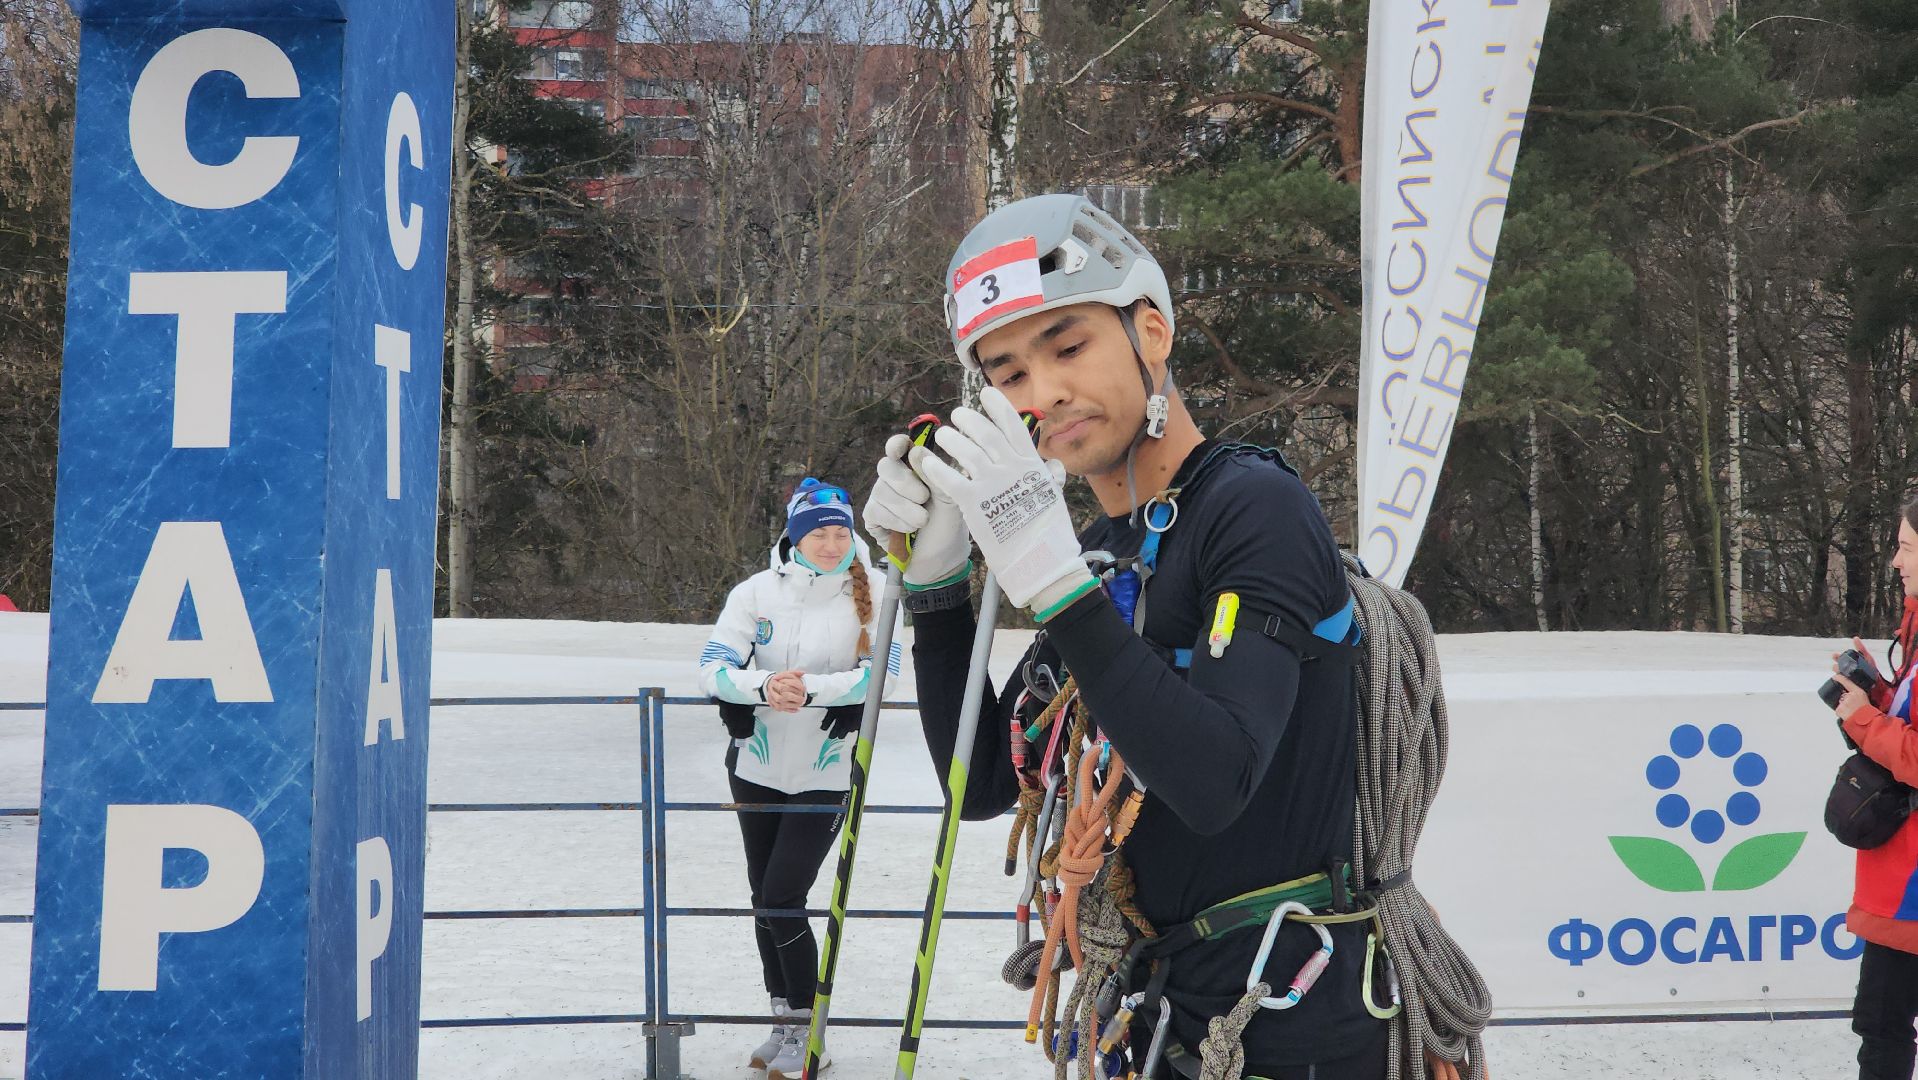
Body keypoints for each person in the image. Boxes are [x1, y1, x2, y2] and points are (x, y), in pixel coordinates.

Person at [863, 193, 1391, 1078]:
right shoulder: (1105, 550)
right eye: (1008, 374)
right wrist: (939, 594)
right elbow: (988, 783)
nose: (1047, 391)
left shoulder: (1253, 508)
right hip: (1154, 1015)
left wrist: (1058, 586)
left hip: (1290, 1016)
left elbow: (1216, 780)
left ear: (1151, 331)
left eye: (1068, 346)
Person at [698, 478, 900, 1079]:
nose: (832, 543)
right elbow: (712, 665)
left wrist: (809, 689)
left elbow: (881, 675)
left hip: (826, 768)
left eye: (841, 532)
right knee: (764, 899)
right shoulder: (756, 592)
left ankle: (811, 1031)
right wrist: (760, 686)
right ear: (794, 536)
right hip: (756, 766)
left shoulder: (880, 591)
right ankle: (782, 1018)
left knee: (784, 895)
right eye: (819, 533)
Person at [1828, 495, 1918, 1080]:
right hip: (1902, 875)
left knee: (1882, 1025)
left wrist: (1864, 719)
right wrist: (1879, 700)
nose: (1894, 560)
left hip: (1910, 882)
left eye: (1907, 546)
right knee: (1881, 1022)